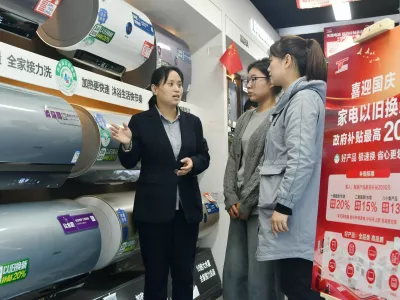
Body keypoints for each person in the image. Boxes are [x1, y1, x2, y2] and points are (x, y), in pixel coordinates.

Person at [110, 66, 210, 300]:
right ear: (155, 89)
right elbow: (129, 161)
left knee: (184, 276)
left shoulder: (192, 122)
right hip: (153, 213)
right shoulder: (141, 122)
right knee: (155, 277)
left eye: (179, 84)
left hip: (186, 213)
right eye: (171, 84)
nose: (177, 89)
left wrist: (193, 163)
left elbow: (204, 156)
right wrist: (127, 144)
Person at [256, 36, 327, 300]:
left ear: (287, 60)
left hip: (296, 214)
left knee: (298, 287)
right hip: (297, 212)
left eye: (272, 61)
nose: (269, 69)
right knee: (295, 285)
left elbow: (301, 157)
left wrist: (283, 205)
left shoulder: (302, 100)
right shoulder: (297, 99)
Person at [223, 58, 284, 300]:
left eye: (254, 79)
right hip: (237, 206)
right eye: (247, 79)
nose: (248, 84)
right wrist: (230, 197)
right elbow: (232, 160)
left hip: (260, 207)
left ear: (270, 82)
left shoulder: (278, 117)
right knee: (235, 270)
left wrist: (247, 201)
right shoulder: (245, 118)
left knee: (260, 276)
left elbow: (268, 164)